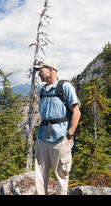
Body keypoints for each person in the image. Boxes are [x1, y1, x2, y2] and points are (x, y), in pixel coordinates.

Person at [33, 60, 81, 195]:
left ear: (51, 70)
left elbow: (76, 112)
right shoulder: (41, 90)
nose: (38, 74)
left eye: (40, 70)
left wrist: (69, 135)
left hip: (60, 138)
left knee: (61, 175)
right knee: (40, 174)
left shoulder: (64, 87)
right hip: (42, 137)